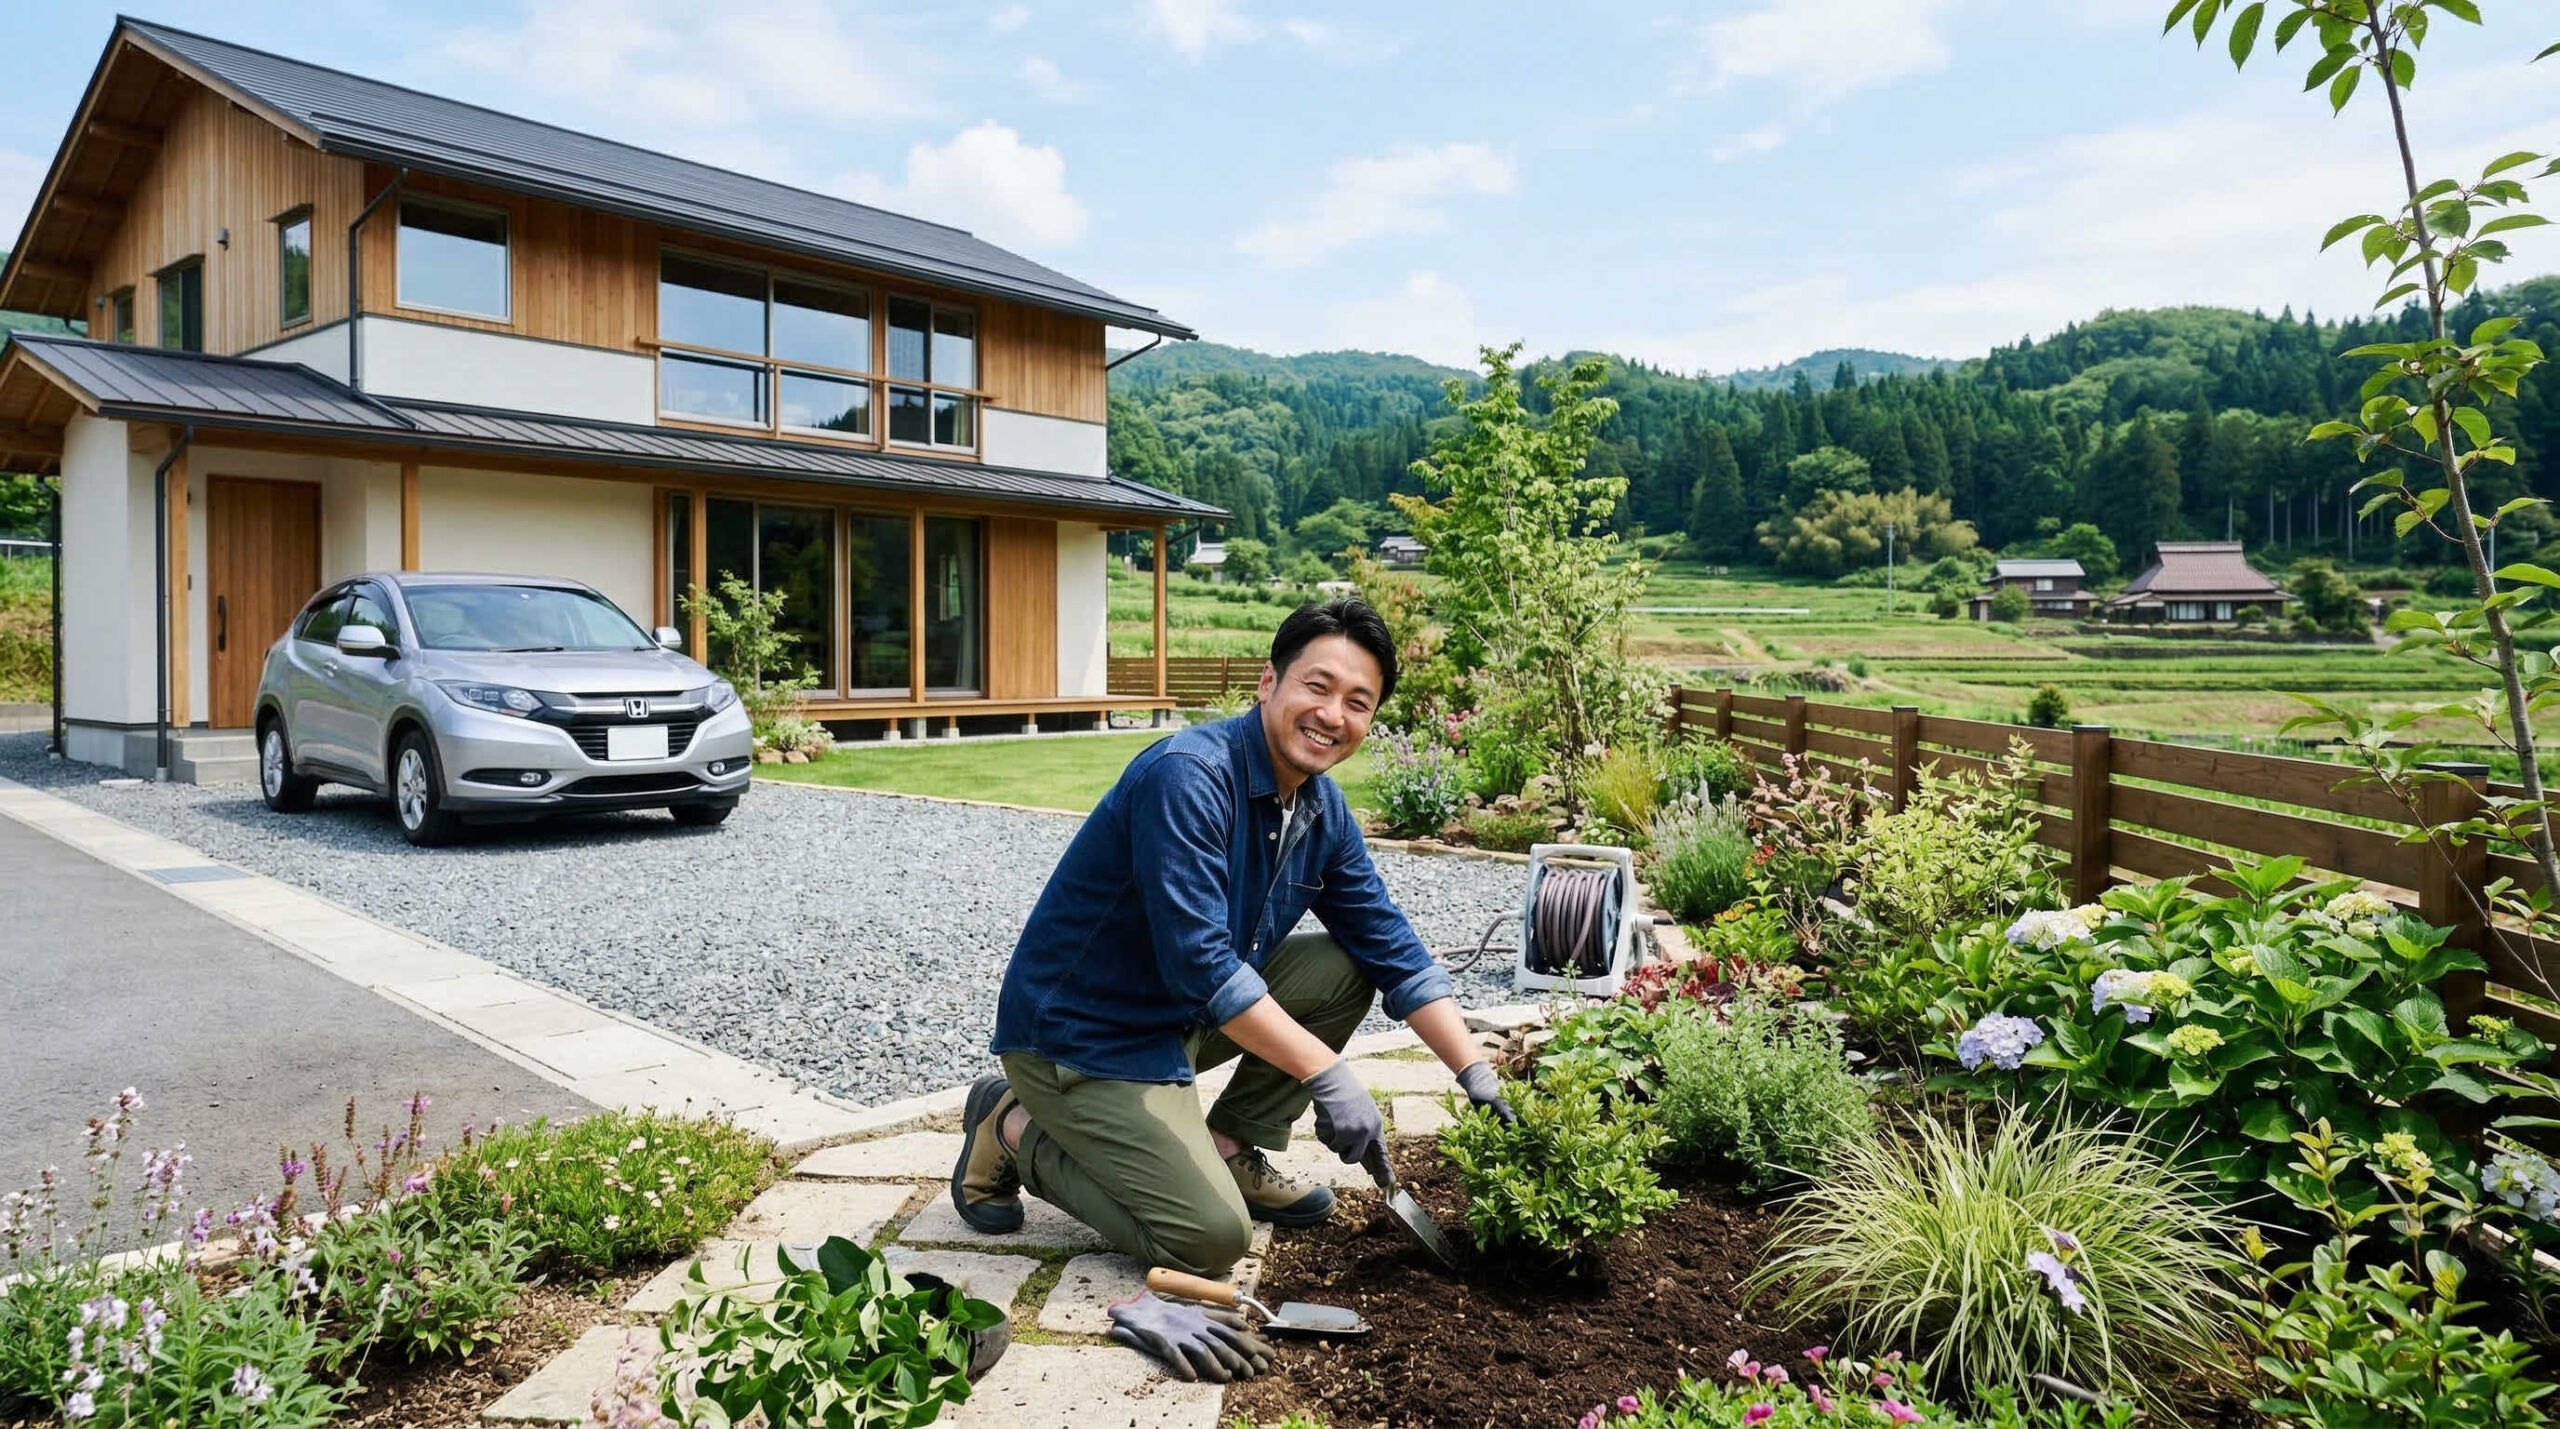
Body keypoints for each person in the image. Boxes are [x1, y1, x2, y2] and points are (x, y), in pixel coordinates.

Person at [947, 597, 1514, 1383]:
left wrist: (1473, 1071)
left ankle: (1229, 1145)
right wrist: (1326, 1071)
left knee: (1345, 962)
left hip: (1173, 1019)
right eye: (1318, 686)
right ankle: (1011, 1125)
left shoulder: (1318, 807)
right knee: (1211, 1240)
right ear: (1267, 681)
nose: (1332, 714)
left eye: (1359, 702)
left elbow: (1388, 944)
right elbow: (1204, 964)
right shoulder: (1189, 777)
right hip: (1080, 1036)